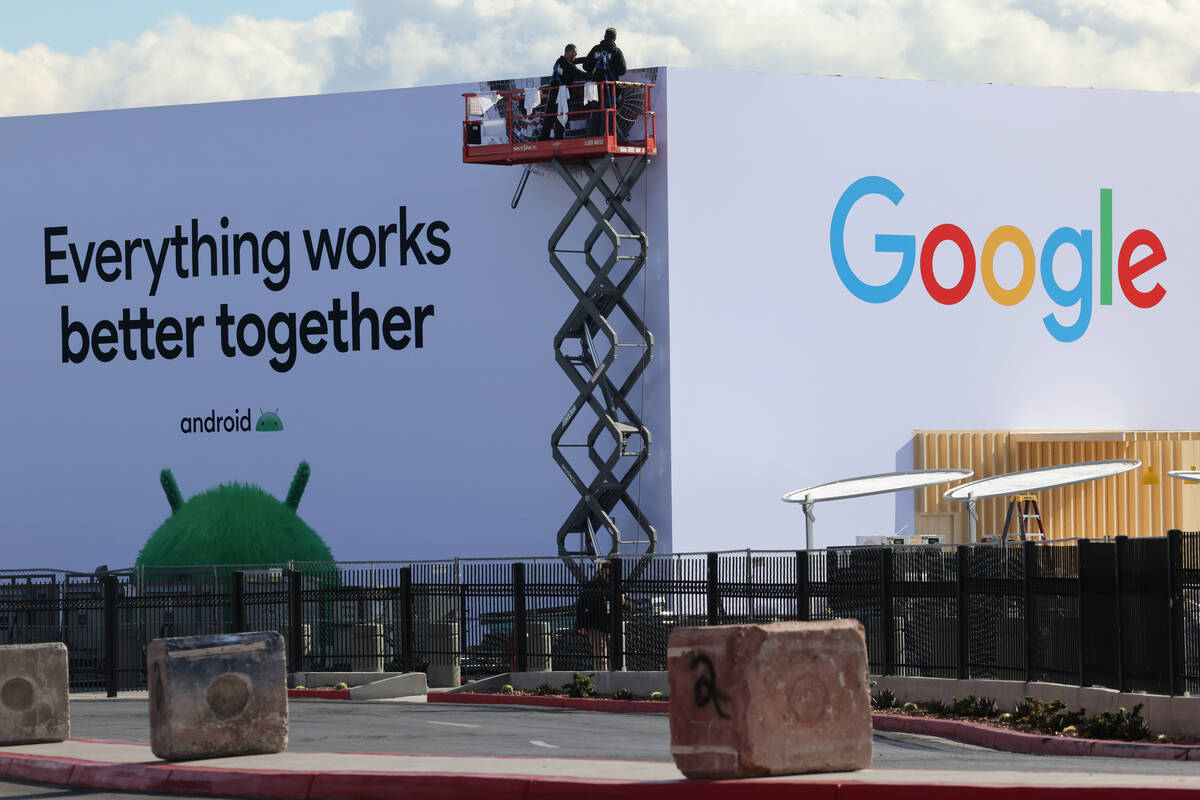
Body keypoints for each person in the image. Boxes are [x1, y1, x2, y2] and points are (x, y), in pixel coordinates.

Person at [584, 27, 626, 137]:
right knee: (608, 113)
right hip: (610, 88)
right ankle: (607, 135)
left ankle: (594, 136)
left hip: (595, 88)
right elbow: (622, 70)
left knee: (596, 113)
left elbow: (585, 66)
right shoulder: (616, 51)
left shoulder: (595, 49)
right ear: (615, 39)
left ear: (604, 36)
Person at [540, 44, 588, 140]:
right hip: (561, 94)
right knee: (561, 115)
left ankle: (543, 138)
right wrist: (593, 76)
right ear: (568, 51)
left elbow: (574, 62)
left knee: (550, 116)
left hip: (553, 92)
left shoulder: (558, 61)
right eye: (574, 53)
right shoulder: (567, 64)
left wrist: (587, 58)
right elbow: (578, 73)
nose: (576, 55)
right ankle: (558, 138)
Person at [574, 561, 614, 669]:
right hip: (595, 625)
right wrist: (580, 625)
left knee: (614, 656)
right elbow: (581, 606)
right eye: (608, 575)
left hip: (612, 627)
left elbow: (628, 605)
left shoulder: (616, 587)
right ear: (601, 573)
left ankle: (613, 681)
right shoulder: (592, 586)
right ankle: (602, 682)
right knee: (601, 655)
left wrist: (625, 602)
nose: (609, 578)